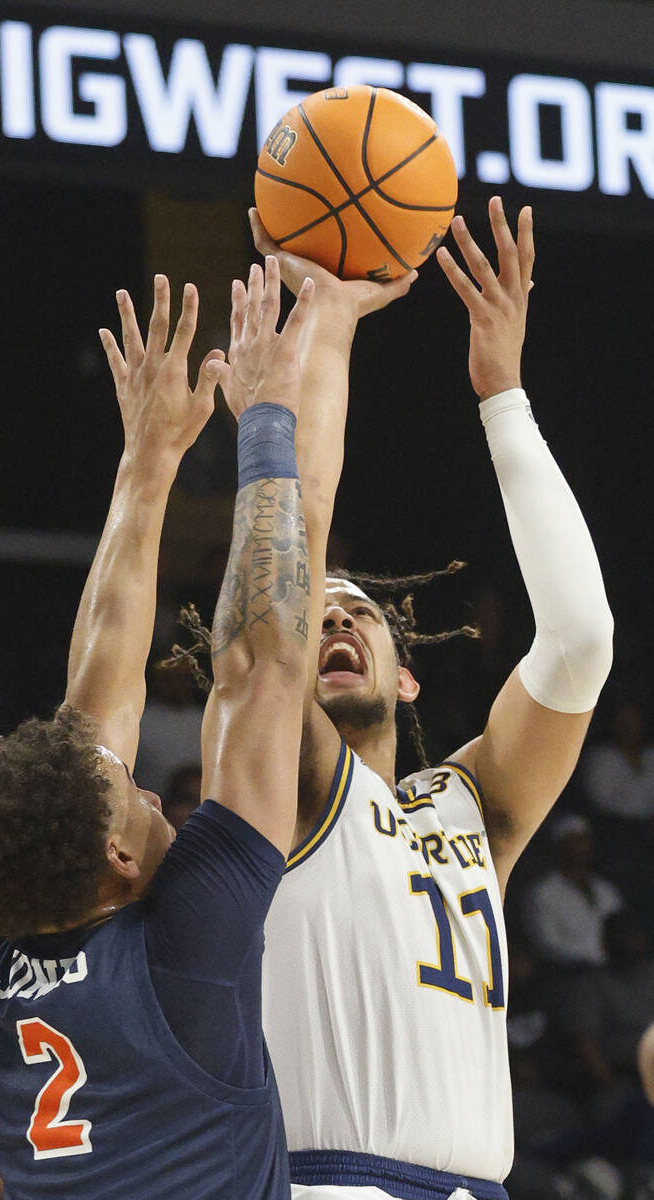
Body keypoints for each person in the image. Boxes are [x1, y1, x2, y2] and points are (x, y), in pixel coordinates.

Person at [246, 198, 614, 1200]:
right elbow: (290, 551)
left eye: (356, 612)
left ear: (405, 674)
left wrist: (503, 396)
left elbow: (580, 641)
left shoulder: (468, 808)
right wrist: (321, 327)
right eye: (315, 610)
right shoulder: (281, 789)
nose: (330, 621)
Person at [0, 264, 315, 1198]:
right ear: (122, 861)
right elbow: (265, 669)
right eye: (134, 795)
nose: (148, 785)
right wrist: (263, 422)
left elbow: (99, 693)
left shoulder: (23, 914)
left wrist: (149, 461)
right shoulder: (188, 955)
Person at [525, 814, 624, 968]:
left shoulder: (605, 890)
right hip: (568, 974)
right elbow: (547, 943)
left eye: (583, 840)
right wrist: (585, 962)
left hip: (613, 970)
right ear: (559, 845)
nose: (580, 847)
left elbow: (622, 929)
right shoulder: (543, 892)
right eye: (573, 840)